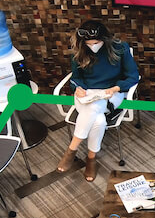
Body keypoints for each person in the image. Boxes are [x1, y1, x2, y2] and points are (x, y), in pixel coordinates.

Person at [56, 20, 140, 182]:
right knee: (99, 120)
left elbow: (133, 76)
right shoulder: (79, 51)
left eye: (96, 42)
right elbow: (76, 78)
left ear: (105, 39)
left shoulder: (120, 48)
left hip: (112, 93)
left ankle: (71, 150)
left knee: (95, 108)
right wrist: (77, 88)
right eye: (89, 43)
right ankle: (91, 159)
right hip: (87, 94)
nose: (93, 46)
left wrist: (116, 88)